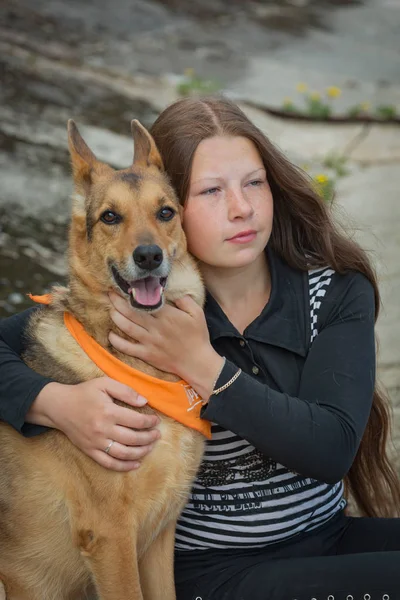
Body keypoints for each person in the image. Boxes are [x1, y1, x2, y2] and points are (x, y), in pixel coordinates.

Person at [1, 96, 400, 600]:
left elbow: (330, 448)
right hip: (215, 573)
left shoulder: (333, 290)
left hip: (324, 538)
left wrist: (199, 363)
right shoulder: (131, 308)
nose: (241, 207)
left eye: (254, 182)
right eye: (211, 191)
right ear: (184, 210)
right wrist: (53, 402)